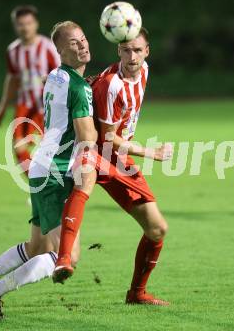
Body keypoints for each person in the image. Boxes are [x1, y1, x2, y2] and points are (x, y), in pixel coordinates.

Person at [0, 21, 97, 320]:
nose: (82, 45)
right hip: (55, 173)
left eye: (83, 39)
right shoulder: (78, 87)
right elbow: (87, 136)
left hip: (41, 167)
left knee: (37, 247)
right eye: (73, 43)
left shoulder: (56, 77)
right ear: (59, 50)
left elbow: (68, 93)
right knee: (67, 254)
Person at [53, 28, 173, 306]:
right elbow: (108, 137)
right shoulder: (112, 85)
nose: (132, 56)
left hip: (119, 156)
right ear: (118, 51)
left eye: (137, 50)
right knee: (84, 184)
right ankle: (63, 259)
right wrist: (151, 153)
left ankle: (137, 293)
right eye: (126, 50)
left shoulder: (144, 72)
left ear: (147, 52)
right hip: (93, 147)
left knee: (157, 229)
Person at [0, 5, 60, 174]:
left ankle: (51, 190)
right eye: (20, 24)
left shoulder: (48, 47)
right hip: (24, 105)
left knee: (52, 152)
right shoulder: (13, 50)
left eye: (28, 23)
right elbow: (13, 79)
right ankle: (41, 190)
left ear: (36, 24)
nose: (25, 27)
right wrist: (2, 108)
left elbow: (62, 76)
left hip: (47, 106)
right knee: (19, 149)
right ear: (15, 26)